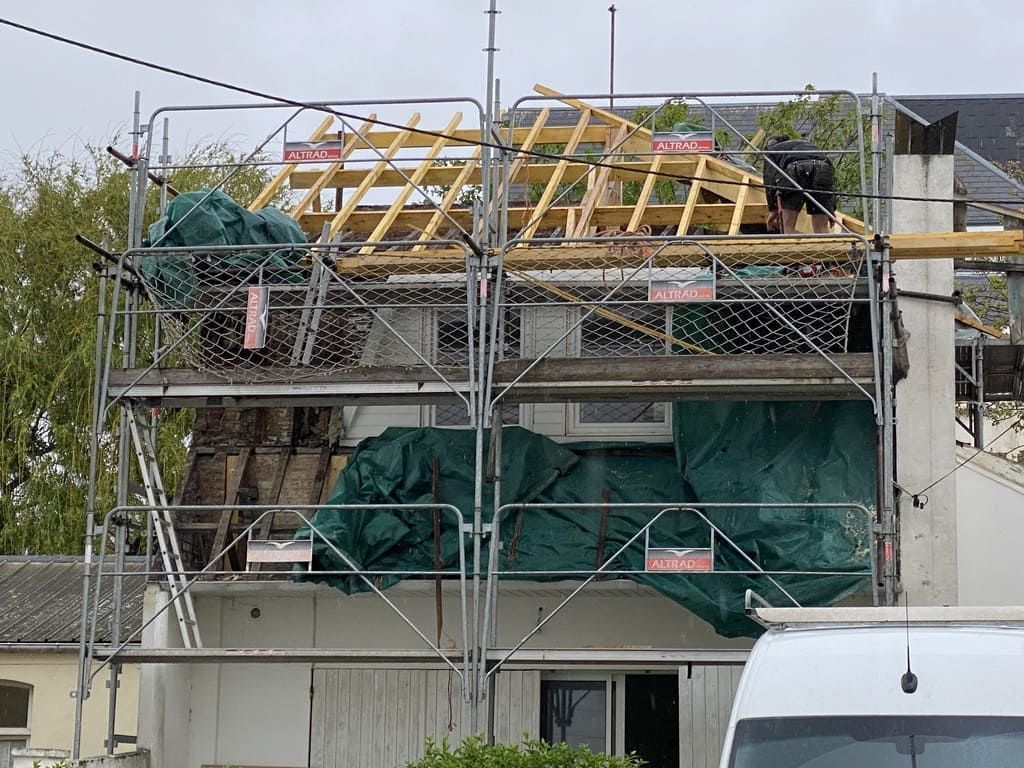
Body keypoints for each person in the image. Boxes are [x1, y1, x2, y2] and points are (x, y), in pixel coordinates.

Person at [762, 136, 836, 234]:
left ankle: (789, 247)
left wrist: (772, 209)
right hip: (822, 168)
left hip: (795, 170)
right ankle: (825, 248)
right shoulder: (807, 146)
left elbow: (769, 179)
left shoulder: (771, 151)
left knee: (787, 226)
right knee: (822, 227)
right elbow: (830, 180)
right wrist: (830, 209)